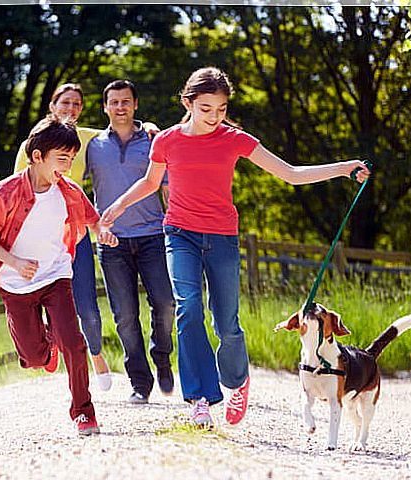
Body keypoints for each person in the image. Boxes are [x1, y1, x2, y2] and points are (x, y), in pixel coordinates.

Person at [100, 66, 370, 428]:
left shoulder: (235, 139)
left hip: (222, 237)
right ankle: (199, 397)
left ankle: (236, 381)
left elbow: (289, 173)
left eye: (221, 109)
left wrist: (343, 168)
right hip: (180, 233)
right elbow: (151, 183)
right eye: (206, 108)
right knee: (188, 308)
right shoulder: (165, 140)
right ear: (188, 103)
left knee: (226, 322)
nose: (214, 117)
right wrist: (117, 207)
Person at [0, 115, 119, 436]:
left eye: (71, 159)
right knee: (33, 356)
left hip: (56, 275)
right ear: (37, 157)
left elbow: (91, 219)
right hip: (16, 283)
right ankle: (46, 348)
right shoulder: (6, 192)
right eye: (62, 159)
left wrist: (103, 232)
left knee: (74, 341)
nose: (67, 167)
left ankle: (83, 411)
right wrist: (13, 262)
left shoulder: (69, 191)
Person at [13, 83, 114, 391]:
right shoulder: (34, 144)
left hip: (76, 233)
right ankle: (51, 343)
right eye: (65, 103)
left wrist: (146, 127)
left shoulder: (88, 138)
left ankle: (95, 353)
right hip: (40, 238)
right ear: (52, 106)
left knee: (87, 308)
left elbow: (119, 132)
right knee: (42, 302)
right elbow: (18, 189)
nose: (71, 109)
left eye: (77, 104)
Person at [85, 79, 176, 404]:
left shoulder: (153, 140)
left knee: (165, 304)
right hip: (111, 242)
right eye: (114, 102)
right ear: (105, 107)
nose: (120, 107)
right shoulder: (93, 146)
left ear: (135, 104)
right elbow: (70, 185)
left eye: (126, 101)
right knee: (124, 315)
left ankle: (162, 355)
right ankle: (140, 382)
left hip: (152, 235)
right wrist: (93, 226)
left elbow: (168, 188)